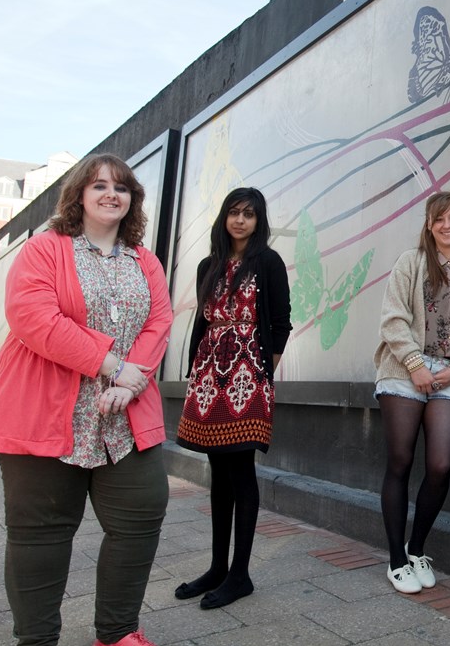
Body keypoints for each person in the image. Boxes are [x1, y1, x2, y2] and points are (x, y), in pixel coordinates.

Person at [0, 154, 174, 646]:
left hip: (124, 419)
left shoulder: (145, 261)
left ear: (133, 200)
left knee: (141, 518)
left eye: (122, 187)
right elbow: (34, 318)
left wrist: (131, 383)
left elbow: (159, 323)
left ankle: (118, 633)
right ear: (79, 196)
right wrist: (113, 365)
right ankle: (38, 639)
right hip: (45, 414)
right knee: (40, 536)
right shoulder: (46, 249)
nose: (112, 194)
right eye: (100, 185)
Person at [174, 187, 291, 609]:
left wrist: (262, 372)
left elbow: (281, 322)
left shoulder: (268, 262)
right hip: (209, 376)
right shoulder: (210, 264)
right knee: (218, 473)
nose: (240, 220)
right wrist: (197, 373)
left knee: (240, 470)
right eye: (234, 213)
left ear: (259, 220)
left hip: (248, 378)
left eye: (249, 214)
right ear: (224, 218)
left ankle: (240, 575)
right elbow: (204, 325)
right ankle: (217, 568)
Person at [373, 191, 450, 594]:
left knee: (441, 465)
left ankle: (415, 548)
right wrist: (414, 365)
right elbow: (393, 320)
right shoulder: (410, 263)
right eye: (439, 219)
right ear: (429, 224)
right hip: (404, 369)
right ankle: (395, 561)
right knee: (401, 461)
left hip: (448, 376)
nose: (447, 225)